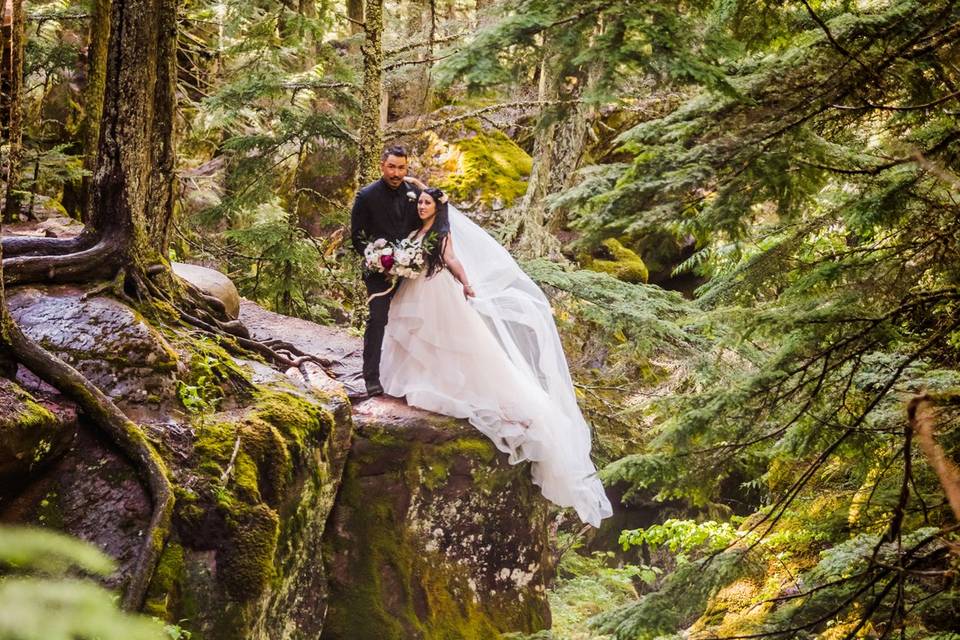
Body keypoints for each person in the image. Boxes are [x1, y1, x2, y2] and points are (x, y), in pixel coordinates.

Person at [379, 186, 613, 527]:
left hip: (438, 291)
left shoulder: (442, 232)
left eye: (428, 203)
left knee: (446, 339)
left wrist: (466, 283)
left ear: (437, 208)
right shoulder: (417, 229)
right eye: (421, 203)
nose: (422, 207)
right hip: (416, 289)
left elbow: (453, 259)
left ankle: (442, 383)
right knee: (415, 336)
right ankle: (414, 377)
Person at [350, 146, 422, 397]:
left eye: (401, 168)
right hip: (377, 271)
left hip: (410, 270)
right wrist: (376, 257)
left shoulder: (414, 193)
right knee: (377, 318)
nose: (396, 173)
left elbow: (429, 217)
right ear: (382, 165)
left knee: (411, 319)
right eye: (392, 167)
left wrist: (411, 258)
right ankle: (371, 378)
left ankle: (404, 376)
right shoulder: (366, 196)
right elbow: (357, 238)